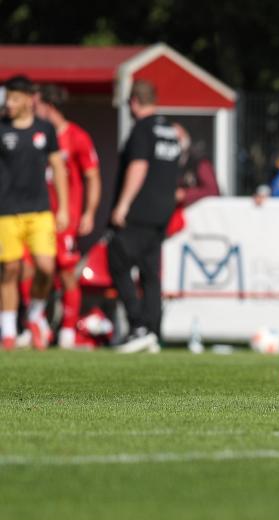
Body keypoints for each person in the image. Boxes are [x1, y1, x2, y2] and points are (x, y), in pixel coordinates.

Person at [23, 84, 101, 349]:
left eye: (37, 106)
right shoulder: (35, 136)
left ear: (49, 107)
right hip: (35, 217)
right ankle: (36, 323)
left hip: (65, 219)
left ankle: (68, 331)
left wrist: (89, 212)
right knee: (27, 270)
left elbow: (92, 177)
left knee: (67, 274)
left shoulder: (77, 137)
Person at [107, 80, 181, 353]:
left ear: (134, 101)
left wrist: (122, 204)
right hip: (162, 211)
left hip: (139, 210)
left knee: (117, 262)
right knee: (151, 272)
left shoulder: (142, 128)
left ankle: (138, 326)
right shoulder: (170, 130)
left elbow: (138, 166)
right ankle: (152, 331)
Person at [0, 75, 69, 350]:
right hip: (6, 211)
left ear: (29, 99)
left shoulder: (45, 130)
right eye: (8, 97)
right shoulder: (1, 128)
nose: (10, 103)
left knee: (45, 267)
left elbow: (59, 168)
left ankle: (35, 314)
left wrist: (63, 207)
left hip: (40, 211)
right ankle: (7, 330)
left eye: (15, 98)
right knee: (10, 269)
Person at [166, 122, 220, 237]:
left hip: (203, 222)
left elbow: (212, 189)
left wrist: (184, 194)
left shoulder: (197, 159)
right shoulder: (172, 160)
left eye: (177, 137)